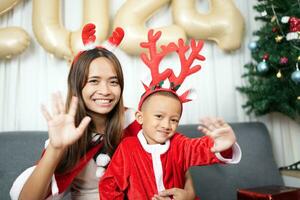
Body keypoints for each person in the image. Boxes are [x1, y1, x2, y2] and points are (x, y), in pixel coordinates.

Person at [9, 24, 196, 200]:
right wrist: (55, 149)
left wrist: (188, 194)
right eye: (94, 81)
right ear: (77, 86)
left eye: (113, 82)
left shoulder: (136, 121)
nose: (105, 91)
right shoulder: (64, 134)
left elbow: (178, 163)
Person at [99, 29, 241, 199]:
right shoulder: (128, 148)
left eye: (174, 120)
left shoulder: (179, 145)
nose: (166, 125)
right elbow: (109, 185)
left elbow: (202, 149)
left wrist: (223, 145)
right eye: (159, 116)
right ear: (140, 118)